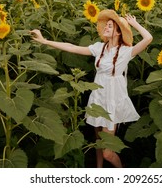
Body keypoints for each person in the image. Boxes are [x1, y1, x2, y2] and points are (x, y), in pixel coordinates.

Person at [30, 9, 153, 167]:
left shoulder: (125, 52)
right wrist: (45, 41)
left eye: (110, 26)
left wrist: (134, 24)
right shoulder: (100, 48)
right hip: (98, 97)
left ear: (118, 32)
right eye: (106, 25)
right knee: (98, 142)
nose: (105, 28)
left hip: (112, 101)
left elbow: (148, 38)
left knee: (108, 152)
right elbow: (72, 47)